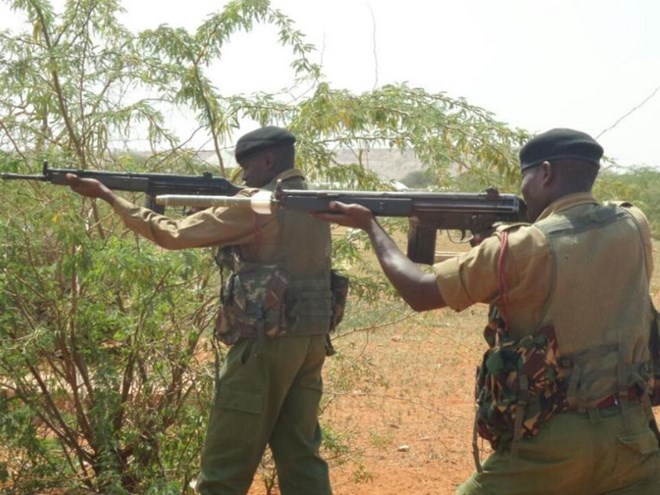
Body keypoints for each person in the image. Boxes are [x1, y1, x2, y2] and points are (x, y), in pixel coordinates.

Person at [313, 128, 660, 494]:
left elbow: (419, 291)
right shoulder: (633, 223)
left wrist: (371, 225)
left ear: (545, 173)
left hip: (553, 441)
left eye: (525, 177)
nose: (523, 189)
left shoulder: (522, 246)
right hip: (633, 435)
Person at [66, 126, 336, 495]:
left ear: (268, 160)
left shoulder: (259, 204)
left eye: (248, 167)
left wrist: (109, 197)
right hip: (310, 341)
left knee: (225, 465)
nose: (243, 177)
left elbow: (172, 234)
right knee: (301, 458)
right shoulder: (310, 200)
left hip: (263, 346)